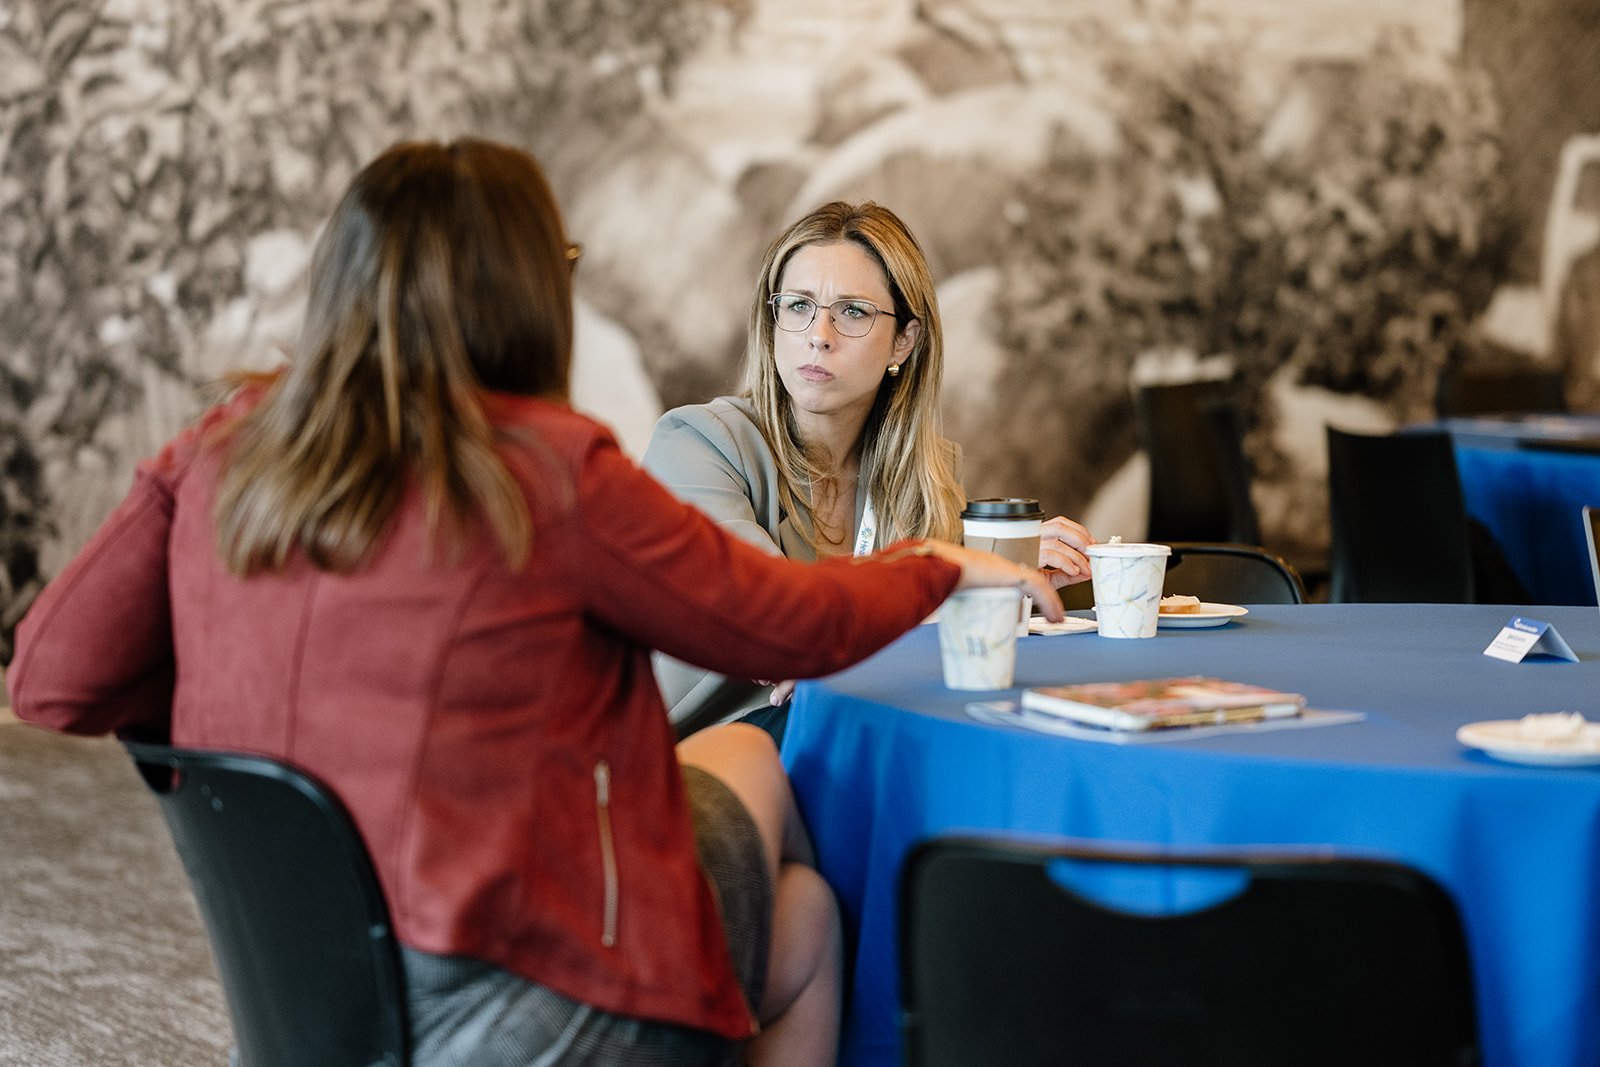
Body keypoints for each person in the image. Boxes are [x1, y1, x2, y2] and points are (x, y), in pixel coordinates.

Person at [7, 139, 1060, 1066]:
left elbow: (49, 682)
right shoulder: (546, 466)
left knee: (782, 880)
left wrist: (223, 677)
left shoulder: (219, 446)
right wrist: (940, 565)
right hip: (527, 1005)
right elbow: (779, 624)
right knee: (801, 898)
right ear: (524, 296)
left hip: (306, 995)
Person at [644, 200, 1094, 733]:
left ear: (903, 341)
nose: (819, 334)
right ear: (772, 323)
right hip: (702, 756)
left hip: (857, 736)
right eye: (798, 305)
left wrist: (1004, 579)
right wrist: (951, 578)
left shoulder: (922, 476)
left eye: (853, 312)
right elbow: (772, 621)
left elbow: (921, 646)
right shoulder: (695, 444)